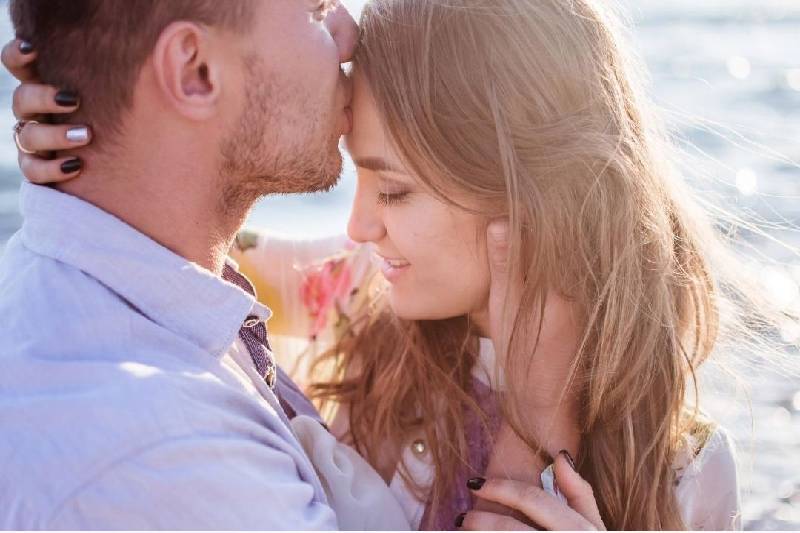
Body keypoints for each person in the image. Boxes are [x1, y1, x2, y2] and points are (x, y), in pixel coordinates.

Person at [4, 0, 759, 530]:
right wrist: (103, 134)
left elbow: (193, 272)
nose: (360, 224)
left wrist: (102, 147)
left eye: (392, 188)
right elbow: (215, 268)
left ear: (532, 198)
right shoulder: (364, 301)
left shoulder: (682, 467)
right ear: (194, 71)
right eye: (311, 8)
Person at [0, 0, 365, 529]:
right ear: (195, 72)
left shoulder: (134, 291)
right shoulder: (162, 456)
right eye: (316, 10)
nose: (348, 33)